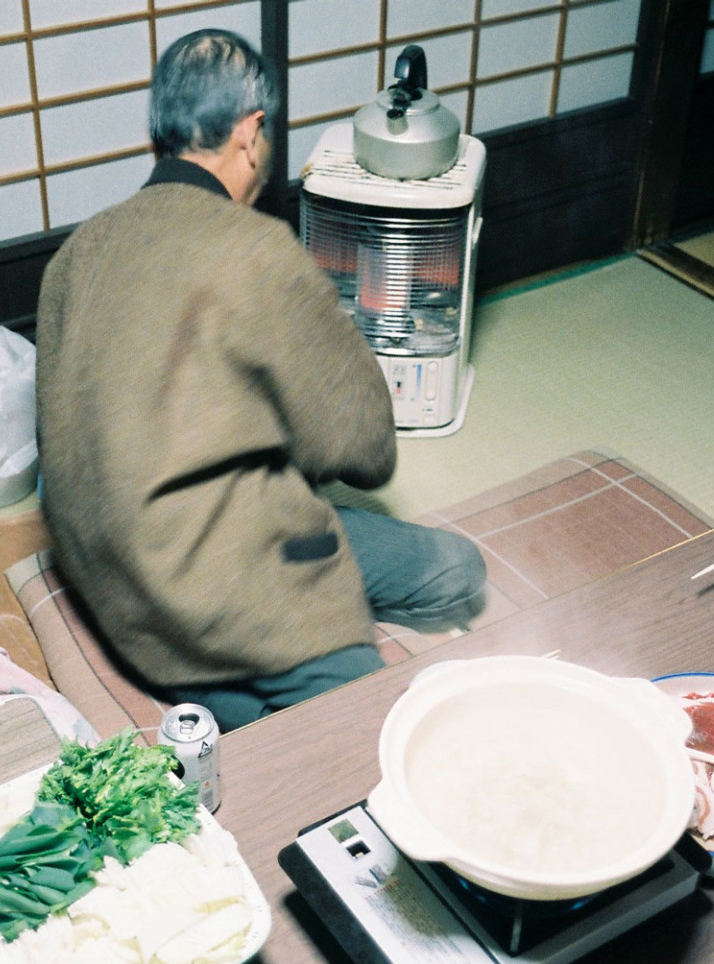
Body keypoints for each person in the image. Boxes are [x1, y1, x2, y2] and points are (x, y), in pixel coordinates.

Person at [35, 28, 485, 731]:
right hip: (216, 572)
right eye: (266, 138)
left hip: (118, 588)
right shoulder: (256, 248)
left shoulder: (76, 253)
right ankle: (274, 689)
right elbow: (366, 451)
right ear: (250, 135)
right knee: (451, 580)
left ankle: (224, 699)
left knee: (246, 686)